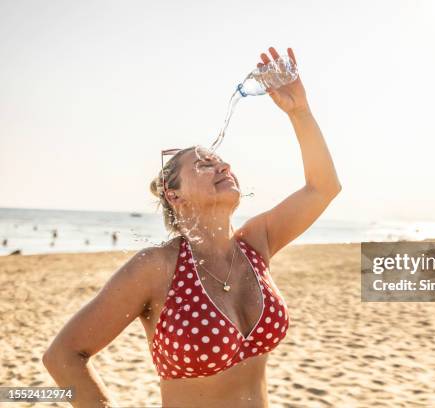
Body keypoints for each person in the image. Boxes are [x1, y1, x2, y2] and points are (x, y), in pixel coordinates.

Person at [42, 46, 341, 408]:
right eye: (202, 165)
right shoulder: (157, 267)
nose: (222, 167)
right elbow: (63, 356)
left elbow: (323, 187)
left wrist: (300, 112)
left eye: (220, 161)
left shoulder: (256, 244)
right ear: (174, 196)